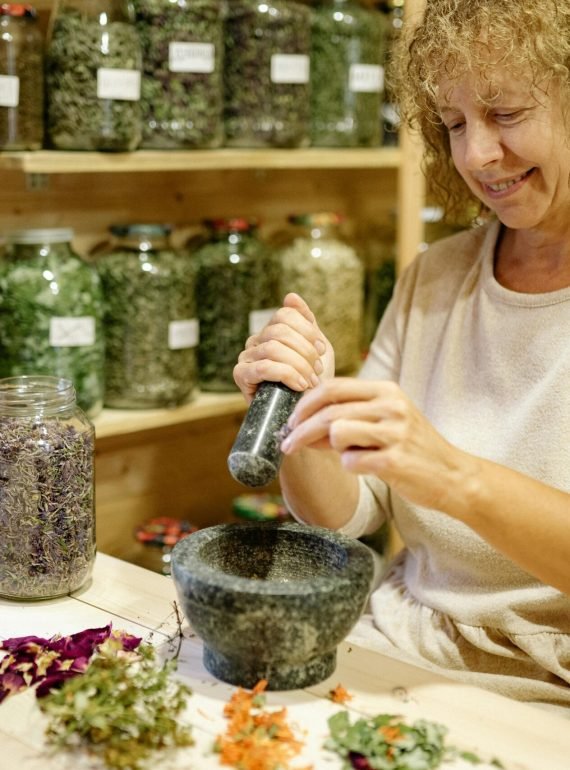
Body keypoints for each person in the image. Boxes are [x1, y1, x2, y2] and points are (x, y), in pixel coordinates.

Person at [233, 0, 570, 714]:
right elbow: (350, 513)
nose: (477, 154)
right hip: (392, 653)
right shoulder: (436, 276)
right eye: (454, 125)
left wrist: (452, 475)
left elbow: (441, 475)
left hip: (539, 695)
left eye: (505, 113)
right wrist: (304, 421)